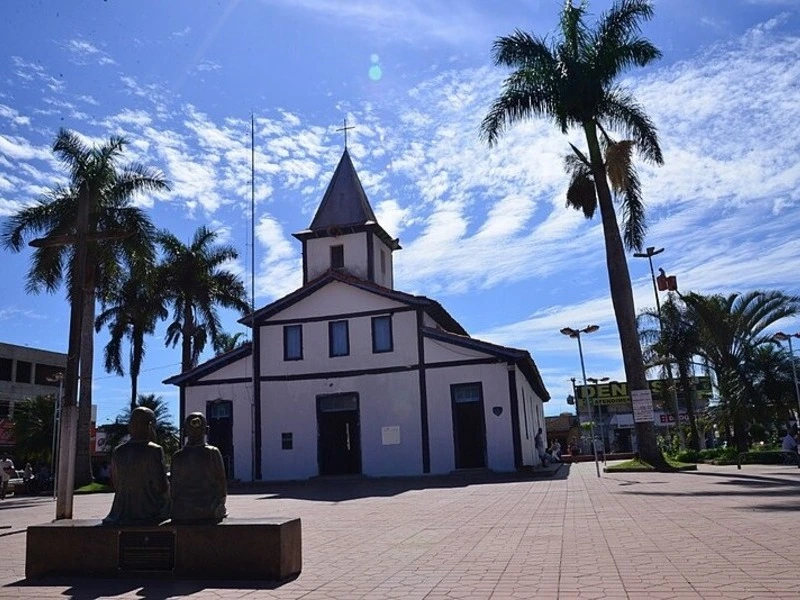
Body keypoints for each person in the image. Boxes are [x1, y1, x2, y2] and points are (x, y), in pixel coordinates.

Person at [103, 407, 170, 525]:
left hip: (120, 514)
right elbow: (161, 487)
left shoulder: (118, 451)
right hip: (149, 513)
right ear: (150, 426)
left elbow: (116, 483)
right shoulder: (154, 450)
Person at [170, 412, 227, 523]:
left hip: (182, 510)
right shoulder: (213, 452)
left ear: (185, 432)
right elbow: (221, 486)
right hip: (209, 508)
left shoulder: (177, 456)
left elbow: (174, 489)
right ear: (206, 430)